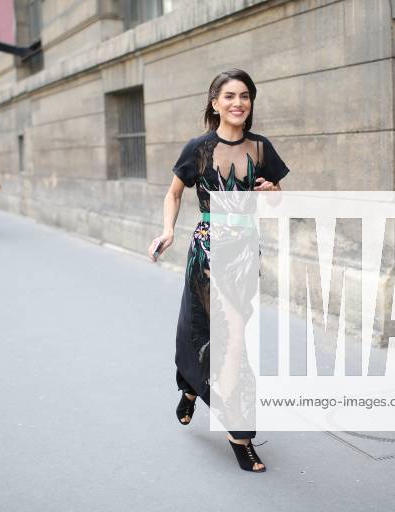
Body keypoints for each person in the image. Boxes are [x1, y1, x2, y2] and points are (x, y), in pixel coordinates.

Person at [148, 69, 289, 473]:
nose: (238, 103)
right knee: (214, 334)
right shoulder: (198, 149)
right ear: (215, 103)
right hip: (207, 251)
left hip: (244, 251)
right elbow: (174, 193)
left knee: (234, 338)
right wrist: (167, 232)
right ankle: (239, 434)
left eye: (244, 96)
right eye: (229, 96)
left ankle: (193, 389)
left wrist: (274, 193)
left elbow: (277, 203)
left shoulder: (261, 149)